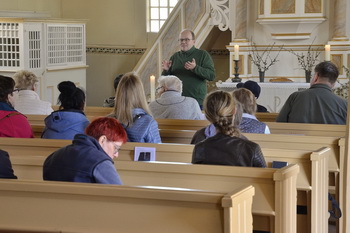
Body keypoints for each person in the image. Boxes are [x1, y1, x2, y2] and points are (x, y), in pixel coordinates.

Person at [191, 90, 266, 167]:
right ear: (234, 111)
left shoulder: (200, 148)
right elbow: (264, 177)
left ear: (207, 115)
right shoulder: (251, 149)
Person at [43, 117, 127, 184]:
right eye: (116, 148)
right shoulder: (101, 162)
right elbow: (119, 194)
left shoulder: (53, 156)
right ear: (102, 140)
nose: (116, 155)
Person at [276, 61, 347, 124]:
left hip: (298, 139)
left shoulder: (295, 97)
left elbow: (280, 123)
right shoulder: (344, 104)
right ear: (334, 83)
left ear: (316, 76)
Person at [161, 29, 216, 107]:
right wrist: (166, 70)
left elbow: (211, 76)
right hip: (177, 100)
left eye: (186, 39)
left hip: (196, 100)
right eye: (181, 40)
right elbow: (166, 81)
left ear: (194, 41)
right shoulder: (175, 56)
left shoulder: (203, 55)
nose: (183, 42)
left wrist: (195, 68)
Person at [109, 72, 161, 143]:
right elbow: (157, 150)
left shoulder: (108, 120)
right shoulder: (148, 122)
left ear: (118, 93)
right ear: (140, 94)